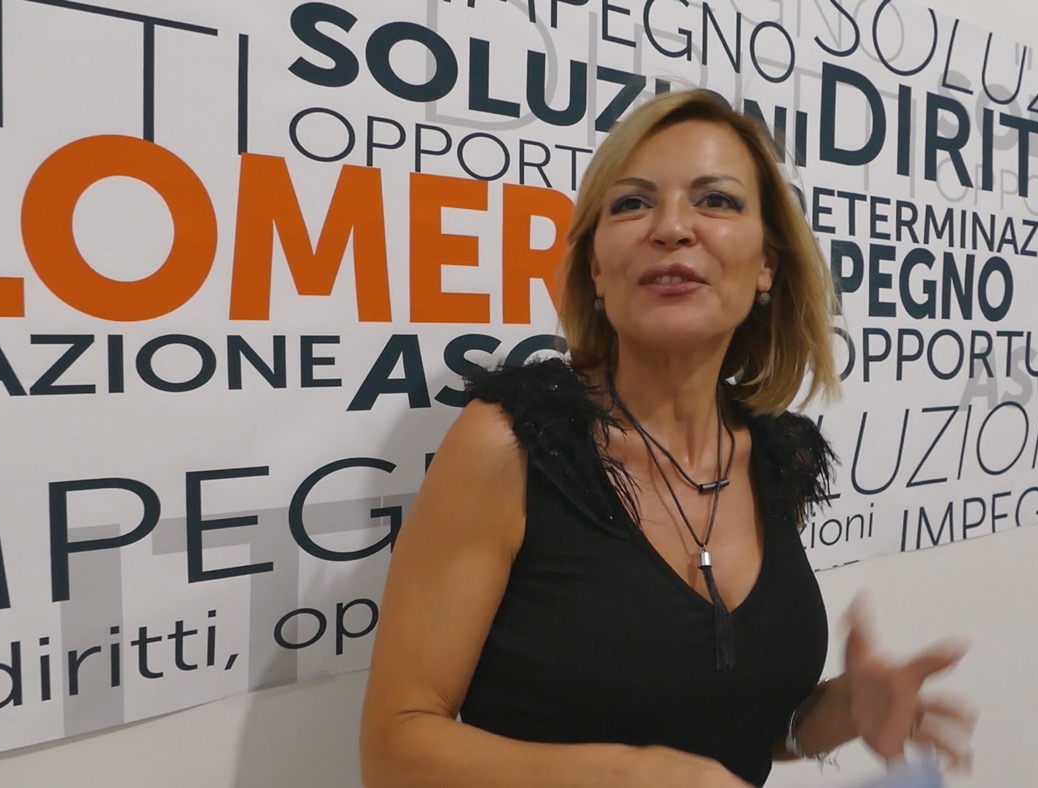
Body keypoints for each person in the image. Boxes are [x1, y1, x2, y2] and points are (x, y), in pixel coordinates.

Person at [359, 89, 974, 787]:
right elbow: (393, 751)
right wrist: (621, 777)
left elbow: (729, 717)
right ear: (595, 266)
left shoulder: (780, 458)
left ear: (767, 264)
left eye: (716, 201)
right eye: (632, 203)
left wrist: (842, 712)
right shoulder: (511, 444)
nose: (672, 227)